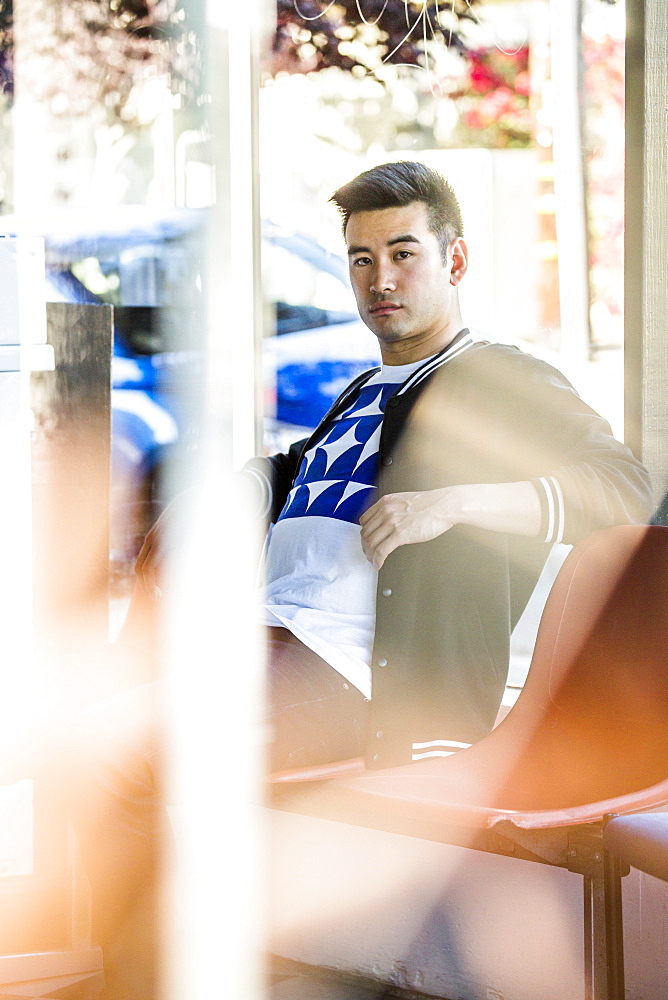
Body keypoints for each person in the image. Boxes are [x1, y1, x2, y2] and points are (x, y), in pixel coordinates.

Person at [137, 160, 653, 773]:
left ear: (454, 263)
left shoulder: (502, 377)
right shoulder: (365, 388)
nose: (380, 279)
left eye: (403, 254)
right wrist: (246, 484)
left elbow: (630, 491)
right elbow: (305, 467)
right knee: (73, 726)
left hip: (352, 679)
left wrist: (451, 504)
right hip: (262, 640)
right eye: (362, 259)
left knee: (139, 756)